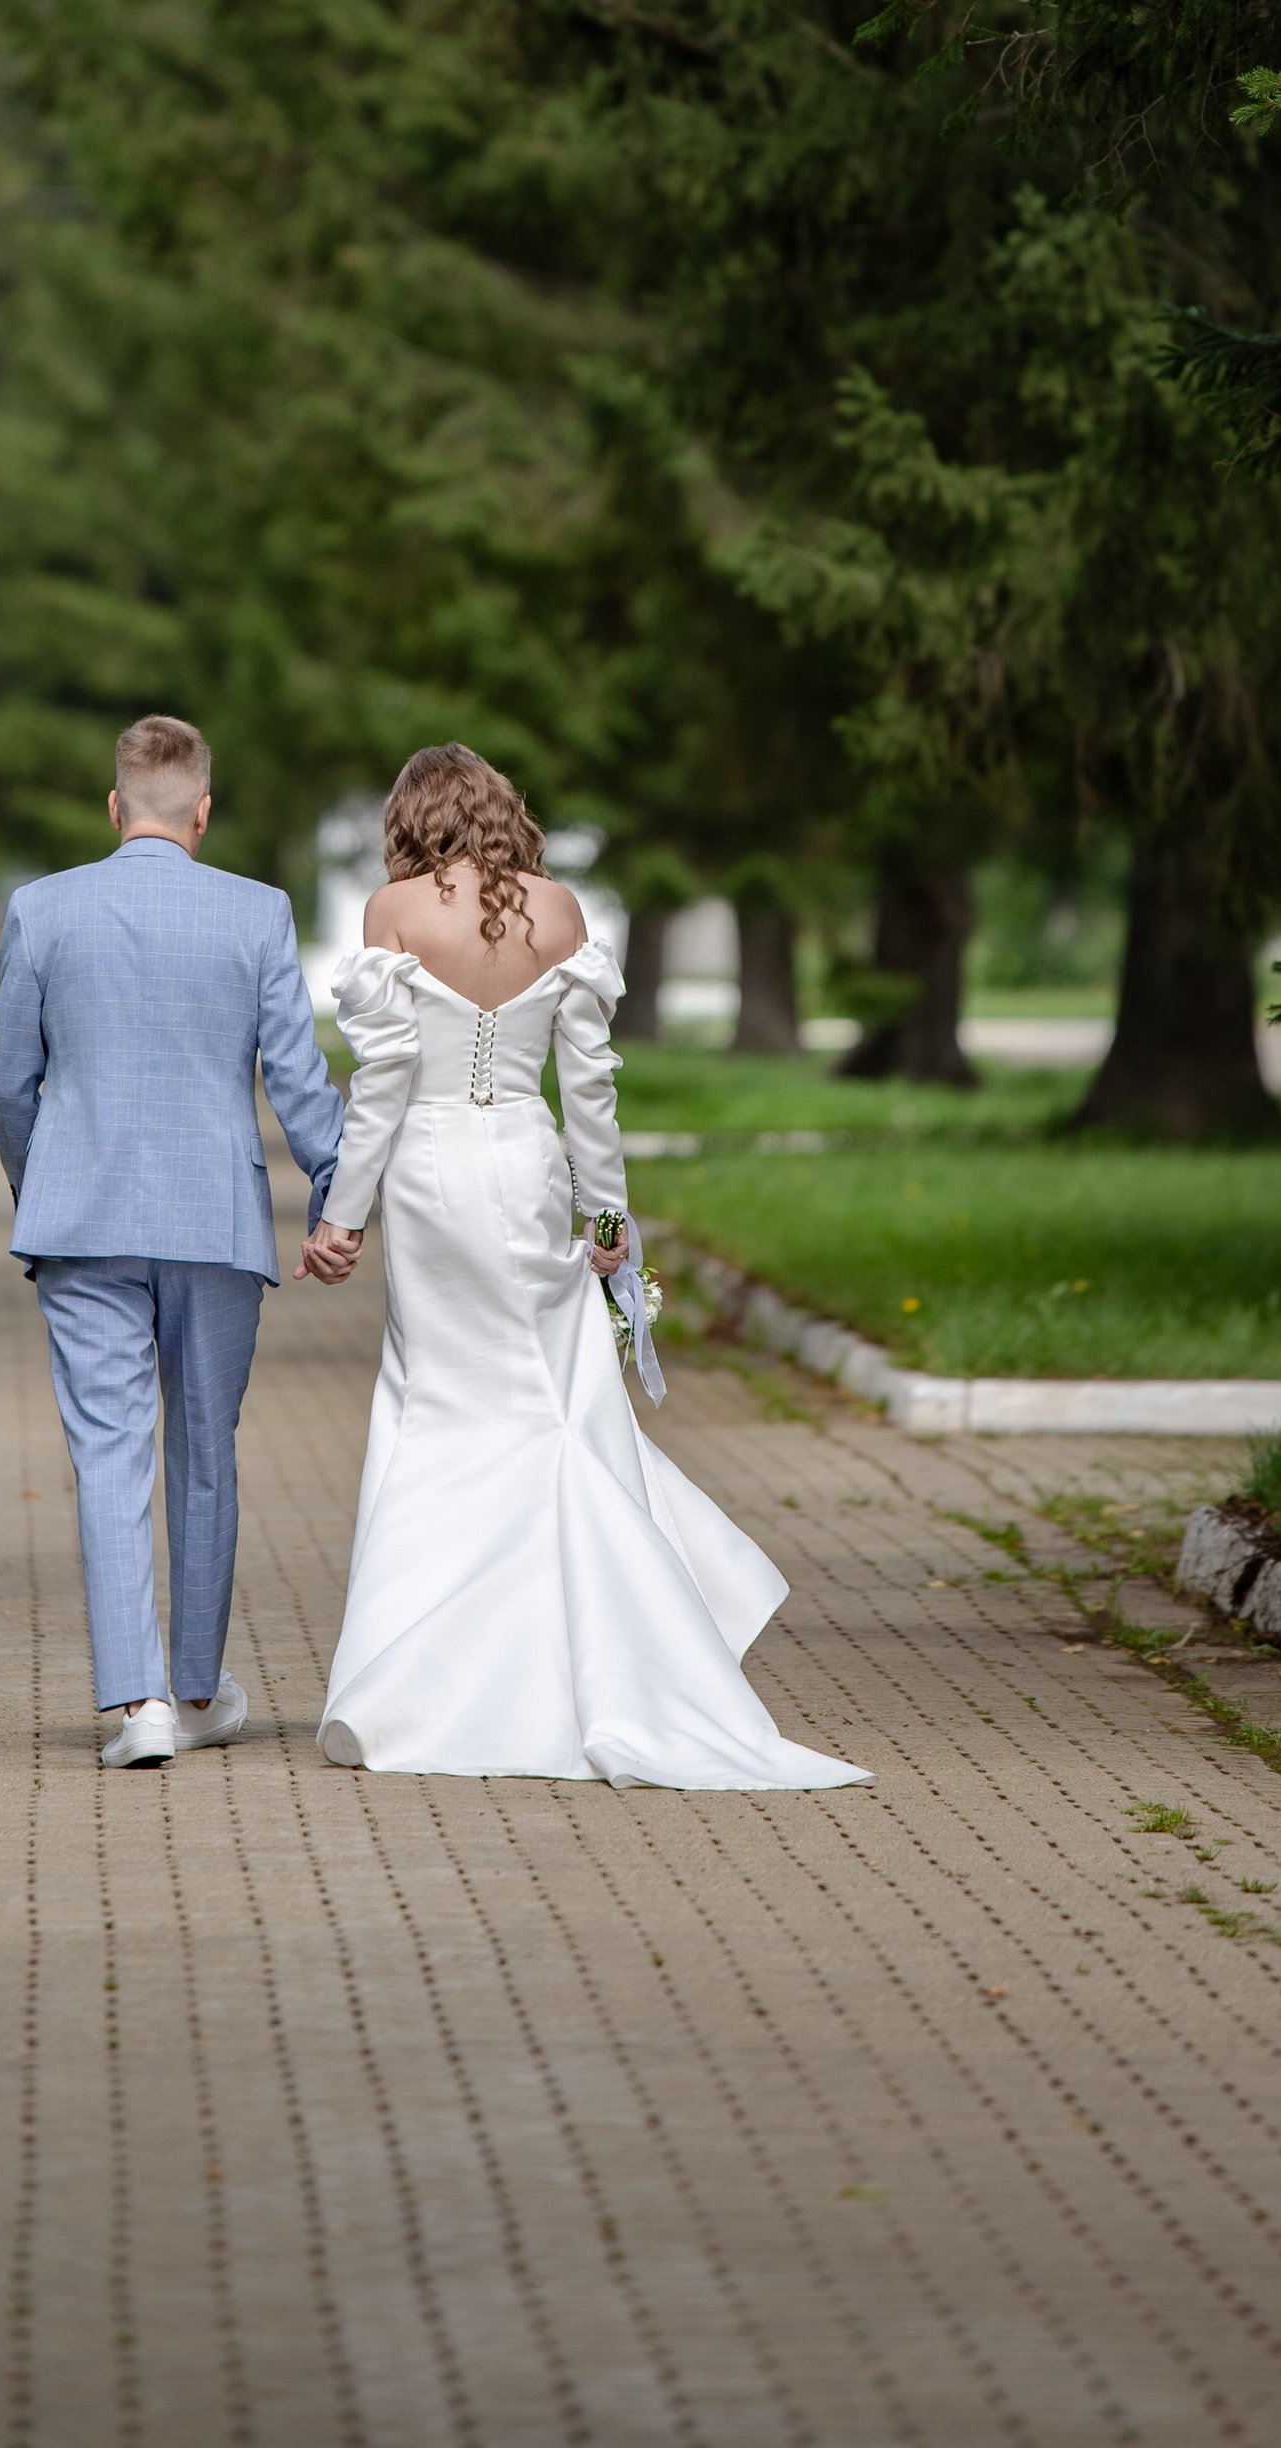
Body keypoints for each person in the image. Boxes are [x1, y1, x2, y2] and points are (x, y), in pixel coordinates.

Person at [303, 744, 868, 1792]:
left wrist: (343, 1216)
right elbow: (590, 1089)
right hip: (525, 1161)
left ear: (408, 818)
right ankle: (595, 1651)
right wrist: (605, 1211)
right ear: (501, 811)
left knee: (438, 1401)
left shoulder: (391, 914)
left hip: (430, 1178)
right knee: (553, 1403)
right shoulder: (558, 916)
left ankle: (424, 1678)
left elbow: (380, 1085)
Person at [0, 712, 346, 1770]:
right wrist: (334, 1193)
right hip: (215, 1219)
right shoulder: (257, 914)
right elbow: (296, 1078)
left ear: (113, 808)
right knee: (202, 1450)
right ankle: (195, 1690)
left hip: (81, 1217)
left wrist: (35, 1181)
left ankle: (133, 1702)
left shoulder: (42, 909)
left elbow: (7, 1075)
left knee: (106, 1449)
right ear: (201, 811)